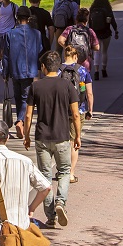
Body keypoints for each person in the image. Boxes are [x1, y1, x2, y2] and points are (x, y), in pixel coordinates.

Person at [23, 50, 81, 229]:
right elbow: (76, 114)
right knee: (63, 172)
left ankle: (50, 217)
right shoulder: (67, 86)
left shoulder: (36, 87)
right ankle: (61, 203)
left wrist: (26, 135)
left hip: (42, 137)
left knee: (45, 177)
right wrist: (77, 135)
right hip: (62, 136)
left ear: (43, 67)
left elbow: (28, 115)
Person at [1, 6, 42, 139]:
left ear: (17, 18)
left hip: (15, 69)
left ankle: (20, 120)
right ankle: (20, 120)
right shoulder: (36, 33)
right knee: (26, 97)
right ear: (29, 18)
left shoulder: (9, 34)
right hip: (30, 69)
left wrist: (5, 73)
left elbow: (5, 56)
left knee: (18, 97)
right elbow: (39, 49)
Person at [59, 45, 93, 184]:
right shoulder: (83, 71)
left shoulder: (57, 70)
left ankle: (62, 170)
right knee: (74, 142)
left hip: (60, 110)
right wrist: (90, 109)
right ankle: (71, 173)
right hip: (78, 110)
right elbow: (89, 93)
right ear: (75, 56)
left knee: (61, 141)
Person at [57, 7, 100, 72]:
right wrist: (88, 47)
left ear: (76, 18)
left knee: (70, 78)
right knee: (84, 80)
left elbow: (60, 40)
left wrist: (68, 47)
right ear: (87, 20)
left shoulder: (70, 29)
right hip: (85, 61)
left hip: (71, 60)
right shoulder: (89, 31)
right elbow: (97, 47)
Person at [88, 0, 119, 79]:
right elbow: (112, 21)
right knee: (104, 51)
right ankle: (104, 70)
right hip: (106, 32)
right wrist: (116, 30)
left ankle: (96, 72)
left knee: (96, 52)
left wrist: (90, 32)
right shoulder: (107, 9)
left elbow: (90, 22)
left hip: (95, 33)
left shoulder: (93, 9)